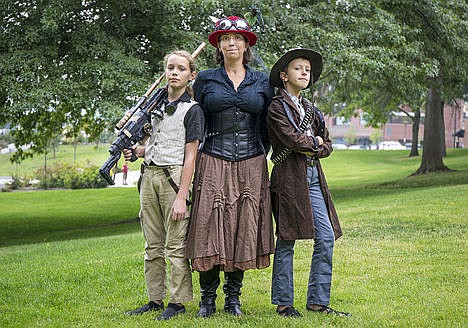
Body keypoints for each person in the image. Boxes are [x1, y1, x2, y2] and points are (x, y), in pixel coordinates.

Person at [185, 15, 275, 318]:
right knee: (209, 226)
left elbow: (267, 122)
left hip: (251, 161)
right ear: (219, 46)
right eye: (225, 39)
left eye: (237, 39)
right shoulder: (206, 79)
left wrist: (262, 151)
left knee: (242, 226)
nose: (231, 43)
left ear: (247, 45)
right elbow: (190, 117)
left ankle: (233, 298)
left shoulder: (262, 80)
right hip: (213, 159)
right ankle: (207, 299)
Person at [267, 48, 350, 317]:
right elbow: (292, 140)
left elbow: (327, 145)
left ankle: (317, 301)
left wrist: (314, 144)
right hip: (288, 177)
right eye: (298, 68)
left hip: (313, 176)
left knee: (326, 237)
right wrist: (314, 143)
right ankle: (283, 303)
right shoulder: (276, 106)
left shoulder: (312, 110)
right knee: (287, 237)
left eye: (307, 69)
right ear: (284, 75)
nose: (304, 72)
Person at [123, 50, 205, 320]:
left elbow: (191, 156)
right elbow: (155, 144)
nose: (174, 72)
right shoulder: (155, 109)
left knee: (175, 245)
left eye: (181, 69)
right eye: (170, 68)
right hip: (149, 177)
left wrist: (183, 196)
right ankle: (154, 299)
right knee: (152, 244)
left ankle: (177, 301)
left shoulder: (192, 110)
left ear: (191, 75)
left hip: (174, 180)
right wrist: (138, 151)